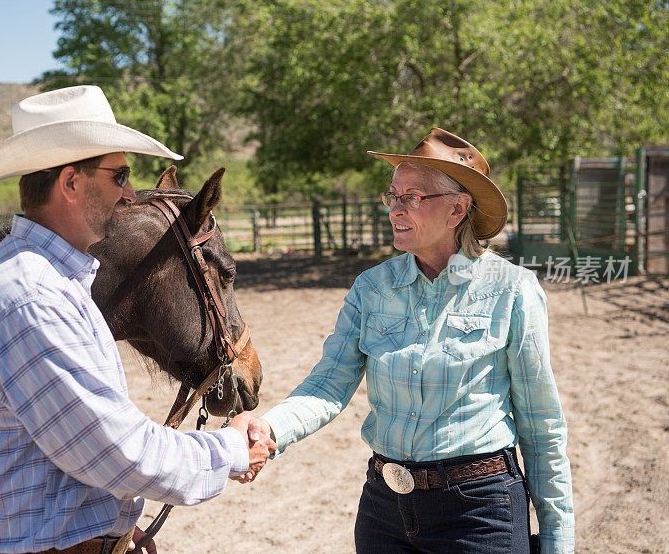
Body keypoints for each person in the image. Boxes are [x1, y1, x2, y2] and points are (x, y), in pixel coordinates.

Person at [0, 85, 275, 554]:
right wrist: (230, 449)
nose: (130, 195)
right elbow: (117, 452)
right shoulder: (32, 298)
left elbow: (67, 449)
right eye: (120, 176)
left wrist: (110, 523)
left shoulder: (51, 280)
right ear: (70, 184)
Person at [244, 128, 574, 554]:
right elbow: (328, 385)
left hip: (479, 512)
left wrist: (557, 540)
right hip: (385, 511)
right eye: (393, 196)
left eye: (413, 196)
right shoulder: (371, 288)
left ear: (458, 208)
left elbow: (541, 426)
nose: (395, 208)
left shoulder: (513, 290)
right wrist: (269, 428)